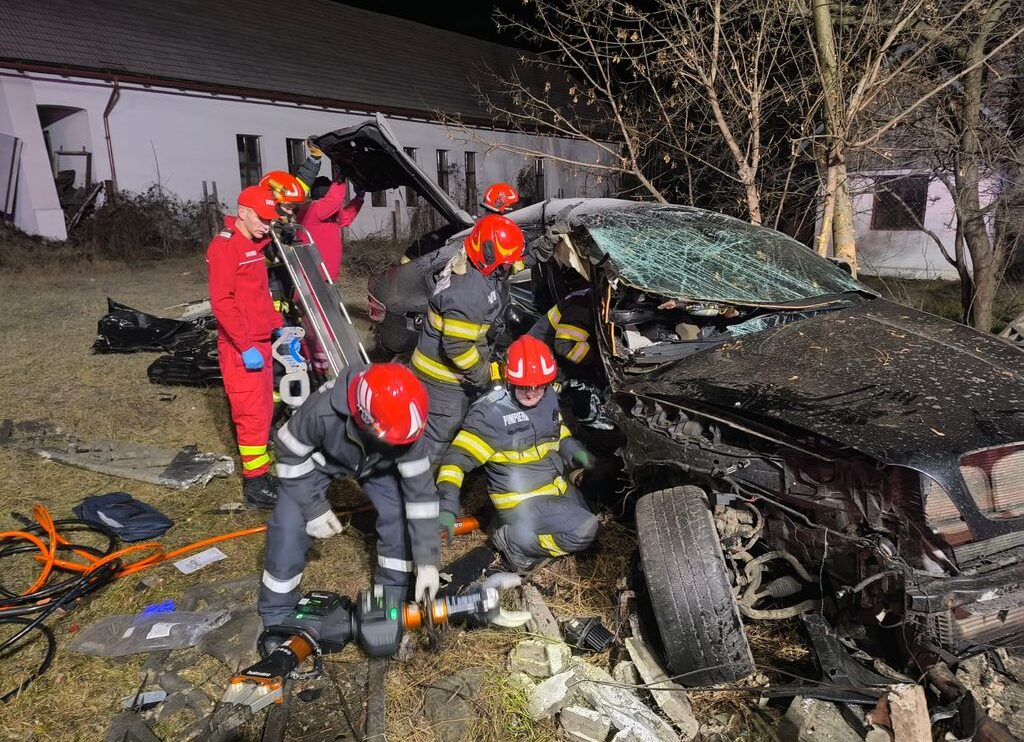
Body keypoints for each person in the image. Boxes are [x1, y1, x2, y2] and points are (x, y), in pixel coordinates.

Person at [259, 363, 441, 626]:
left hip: (379, 464)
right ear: (362, 416)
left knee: (399, 518)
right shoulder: (322, 411)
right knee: (288, 525)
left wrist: (427, 562)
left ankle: (389, 600)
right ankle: (276, 612)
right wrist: (314, 508)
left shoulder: (406, 424)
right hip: (320, 462)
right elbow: (288, 454)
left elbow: (421, 497)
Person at [436, 335, 599, 571]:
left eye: (538, 386)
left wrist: (572, 449)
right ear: (508, 379)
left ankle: (521, 532)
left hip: (553, 485)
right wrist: (447, 504)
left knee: (590, 520)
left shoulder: (548, 396)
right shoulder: (489, 415)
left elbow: (558, 431)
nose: (532, 393)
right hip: (520, 499)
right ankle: (512, 541)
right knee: (584, 529)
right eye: (524, 387)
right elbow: (455, 462)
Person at [409, 215, 525, 507]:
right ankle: (416, 499)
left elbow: (508, 269)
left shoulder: (471, 265)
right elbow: (458, 348)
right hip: (444, 381)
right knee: (438, 441)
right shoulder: (468, 293)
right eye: (505, 261)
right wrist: (484, 375)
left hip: (438, 374)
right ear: (488, 255)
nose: (509, 266)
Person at [206, 185, 284, 508]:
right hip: (242, 348)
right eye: (262, 219)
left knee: (263, 412)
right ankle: (255, 487)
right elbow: (222, 303)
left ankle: (261, 474)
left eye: (270, 219)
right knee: (251, 415)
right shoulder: (225, 247)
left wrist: (278, 326)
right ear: (242, 212)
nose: (267, 225)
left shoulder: (251, 244)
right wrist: (245, 344)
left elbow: (257, 296)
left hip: (260, 342)